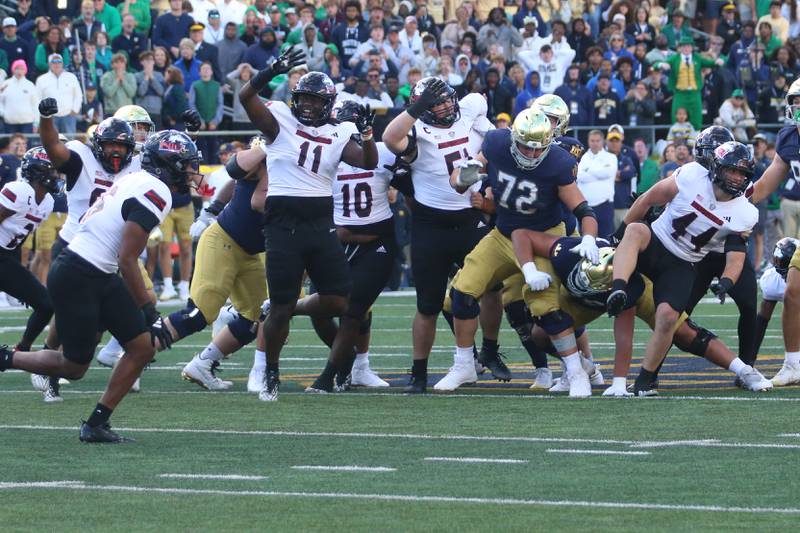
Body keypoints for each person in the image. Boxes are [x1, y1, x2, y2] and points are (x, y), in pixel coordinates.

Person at [0, 130, 200, 443]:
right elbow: (128, 258)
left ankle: (95, 424)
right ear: (170, 164)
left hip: (95, 270)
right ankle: (6, 358)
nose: (191, 172)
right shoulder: (155, 191)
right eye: (186, 164)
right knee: (74, 366)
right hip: (80, 272)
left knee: (142, 347)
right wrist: (149, 310)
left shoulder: (138, 180)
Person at [239, 47, 378, 401]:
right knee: (282, 306)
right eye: (304, 99)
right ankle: (270, 370)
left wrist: (367, 134)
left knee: (341, 301)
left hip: (320, 221)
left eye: (316, 101)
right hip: (283, 223)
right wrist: (269, 70)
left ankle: (297, 321)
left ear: (328, 104)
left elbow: (365, 162)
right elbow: (246, 95)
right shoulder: (280, 120)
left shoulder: (340, 130)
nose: (309, 106)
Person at [444, 107, 600, 395]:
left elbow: (584, 209)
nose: (530, 154)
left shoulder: (557, 162)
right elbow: (460, 180)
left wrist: (589, 238)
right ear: (513, 138)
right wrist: (462, 177)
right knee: (462, 292)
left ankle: (576, 372)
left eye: (536, 149)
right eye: (525, 147)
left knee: (547, 310)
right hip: (504, 235)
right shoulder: (496, 143)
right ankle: (464, 365)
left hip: (544, 238)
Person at [609, 141, 758, 396]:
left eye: (742, 173)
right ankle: (618, 288)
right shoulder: (691, 175)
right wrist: (619, 233)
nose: (736, 178)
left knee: (668, 318)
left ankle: (645, 380)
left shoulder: (745, 213)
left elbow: (735, 257)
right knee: (634, 230)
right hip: (656, 241)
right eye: (732, 170)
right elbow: (647, 199)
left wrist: (726, 282)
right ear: (716, 167)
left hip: (683, 262)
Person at [382, 77, 501, 393]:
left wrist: (484, 133)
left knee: (492, 288)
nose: (447, 105)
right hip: (431, 226)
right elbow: (390, 137)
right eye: (437, 102)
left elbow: (480, 102)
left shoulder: (469, 108)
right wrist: (418, 106)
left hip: (470, 218)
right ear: (422, 108)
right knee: (428, 305)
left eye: (448, 99)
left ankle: (489, 349)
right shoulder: (417, 132)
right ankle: (418, 372)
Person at [305, 101, 404, 392]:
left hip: (376, 243)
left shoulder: (382, 152)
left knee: (353, 309)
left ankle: (331, 375)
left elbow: (412, 180)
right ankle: (348, 358)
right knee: (320, 309)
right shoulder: (325, 153)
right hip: (336, 242)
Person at [0, 147, 59, 365]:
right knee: (46, 304)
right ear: (36, 171)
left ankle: (20, 350)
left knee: (46, 305)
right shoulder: (19, 191)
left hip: (7, 257)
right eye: (50, 170)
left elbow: (18, 236)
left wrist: (19, 275)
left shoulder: (48, 202)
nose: (55, 174)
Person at [654, 36, 725, 129]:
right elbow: (656, 65)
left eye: (688, 46)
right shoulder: (675, 58)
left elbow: (710, 63)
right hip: (680, 93)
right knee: (677, 116)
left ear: (692, 47)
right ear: (679, 48)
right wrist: (661, 64)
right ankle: (677, 138)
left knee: (696, 117)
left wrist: (718, 61)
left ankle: (696, 138)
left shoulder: (697, 58)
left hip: (694, 93)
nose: (686, 48)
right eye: (683, 46)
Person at [577, 130, 617, 239]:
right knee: (586, 239)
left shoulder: (611, 157)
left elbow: (608, 173)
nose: (595, 143)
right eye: (592, 140)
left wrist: (588, 170)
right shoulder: (583, 158)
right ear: (588, 141)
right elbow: (579, 176)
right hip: (586, 206)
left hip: (605, 205)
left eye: (597, 141)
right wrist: (598, 172)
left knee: (606, 240)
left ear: (603, 141)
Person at [34, 54, 83, 134]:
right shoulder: (41, 79)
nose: (56, 64)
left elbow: (78, 95)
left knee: (70, 143)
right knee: (50, 143)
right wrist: (42, 115)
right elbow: (37, 99)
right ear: (49, 64)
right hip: (49, 117)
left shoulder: (71, 77)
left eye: (59, 61)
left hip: (68, 116)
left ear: (62, 63)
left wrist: (75, 110)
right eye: (53, 61)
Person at [0, 59, 37, 134]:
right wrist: (4, 114)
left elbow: (35, 104)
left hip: (27, 123)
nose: (19, 71)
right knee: (10, 145)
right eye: (17, 68)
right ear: (13, 70)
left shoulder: (30, 85)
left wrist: (36, 123)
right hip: (9, 123)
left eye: (22, 68)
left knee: (28, 145)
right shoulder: (5, 84)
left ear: (25, 70)